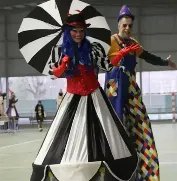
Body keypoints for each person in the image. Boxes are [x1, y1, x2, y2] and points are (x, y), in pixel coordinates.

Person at [30, 11, 139, 181]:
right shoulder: (58, 50)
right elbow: (53, 73)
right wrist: (63, 65)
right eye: (74, 30)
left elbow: (107, 66)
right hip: (72, 98)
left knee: (108, 139)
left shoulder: (93, 48)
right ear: (67, 31)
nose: (78, 34)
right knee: (67, 141)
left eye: (81, 31)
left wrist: (121, 54)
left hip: (95, 97)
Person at [104, 5, 176, 180]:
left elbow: (148, 56)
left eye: (130, 25)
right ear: (118, 25)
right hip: (115, 90)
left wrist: (165, 63)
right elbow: (102, 61)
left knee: (142, 128)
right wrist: (118, 56)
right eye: (124, 25)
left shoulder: (134, 44)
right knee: (117, 129)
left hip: (131, 90)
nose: (127, 28)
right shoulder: (110, 41)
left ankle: (146, 173)